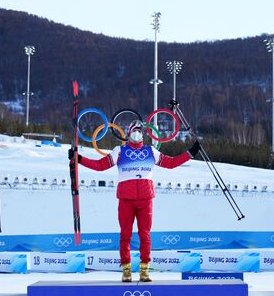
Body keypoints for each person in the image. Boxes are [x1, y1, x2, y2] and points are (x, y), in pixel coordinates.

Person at [68, 119, 200, 282]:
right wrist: (79, 159)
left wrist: (191, 153)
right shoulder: (119, 151)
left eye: (139, 130)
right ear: (129, 133)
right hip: (126, 200)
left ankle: (144, 270)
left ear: (142, 134)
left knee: (145, 236)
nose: (137, 133)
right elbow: (100, 166)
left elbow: (171, 163)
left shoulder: (151, 151)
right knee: (125, 235)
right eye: (134, 130)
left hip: (146, 199)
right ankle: (126, 270)